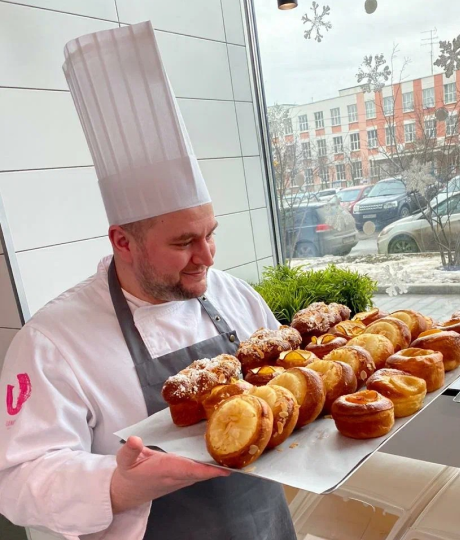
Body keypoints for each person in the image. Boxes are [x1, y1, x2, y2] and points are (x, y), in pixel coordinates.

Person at [0, 21, 296, 540]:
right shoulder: (52, 342)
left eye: (210, 233)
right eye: (183, 242)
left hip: (264, 525)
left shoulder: (234, 296)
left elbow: (286, 382)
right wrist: (118, 485)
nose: (207, 256)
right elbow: (17, 480)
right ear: (123, 241)